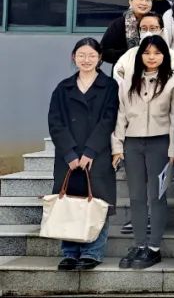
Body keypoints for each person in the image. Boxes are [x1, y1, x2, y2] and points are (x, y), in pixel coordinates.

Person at [111, 35, 174, 270]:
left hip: (160, 144)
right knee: (136, 196)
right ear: (140, 55)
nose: (152, 57)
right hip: (132, 144)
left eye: (157, 53)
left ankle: (154, 248)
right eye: (147, 52)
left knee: (157, 196)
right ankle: (139, 244)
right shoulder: (128, 82)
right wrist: (117, 146)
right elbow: (121, 115)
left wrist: (173, 149)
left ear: (165, 56)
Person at [48, 38, 119, 271]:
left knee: (97, 202)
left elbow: (109, 119)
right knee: (69, 201)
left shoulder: (109, 86)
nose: (86, 60)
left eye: (91, 55)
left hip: (97, 154)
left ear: (100, 58)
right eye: (81, 55)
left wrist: (90, 151)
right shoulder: (63, 87)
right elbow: (55, 122)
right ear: (74, 57)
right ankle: (69, 252)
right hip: (68, 156)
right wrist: (69, 153)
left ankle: (92, 252)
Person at [112, 12, 174, 83]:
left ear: (162, 31)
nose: (148, 32)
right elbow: (118, 76)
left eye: (153, 28)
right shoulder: (130, 54)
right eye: (144, 29)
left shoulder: (173, 56)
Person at [101, 0, 155, 65]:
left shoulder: (156, 22)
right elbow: (104, 52)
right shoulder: (118, 24)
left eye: (148, 0)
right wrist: (131, 54)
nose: (144, 3)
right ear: (130, 1)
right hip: (123, 68)